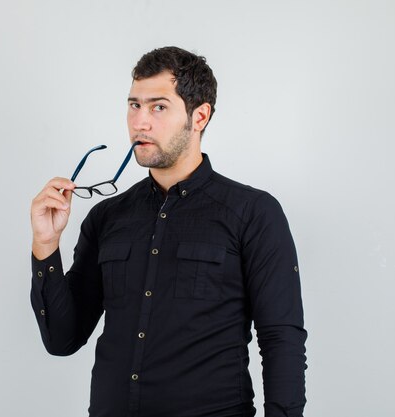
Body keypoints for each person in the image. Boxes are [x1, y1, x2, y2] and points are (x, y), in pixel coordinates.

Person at [30, 46, 307, 417]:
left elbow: (281, 340)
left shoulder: (254, 213)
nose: (140, 122)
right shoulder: (106, 216)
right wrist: (46, 245)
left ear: (200, 116)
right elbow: (62, 339)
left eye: (158, 107)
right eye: (134, 105)